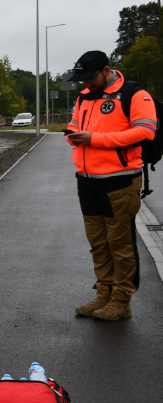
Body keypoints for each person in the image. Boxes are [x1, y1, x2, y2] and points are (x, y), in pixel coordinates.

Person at [66, 50, 158, 321]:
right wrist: (73, 136)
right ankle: (104, 294)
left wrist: (94, 138)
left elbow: (145, 130)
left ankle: (121, 301)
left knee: (120, 244)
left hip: (120, 181)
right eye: (81, 79)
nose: (85, 84)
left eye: (90, 77)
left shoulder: (135, 94)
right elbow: (74, 125)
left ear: (106, 71)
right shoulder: (85, 97)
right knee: (98, 243)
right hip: (87, 181)